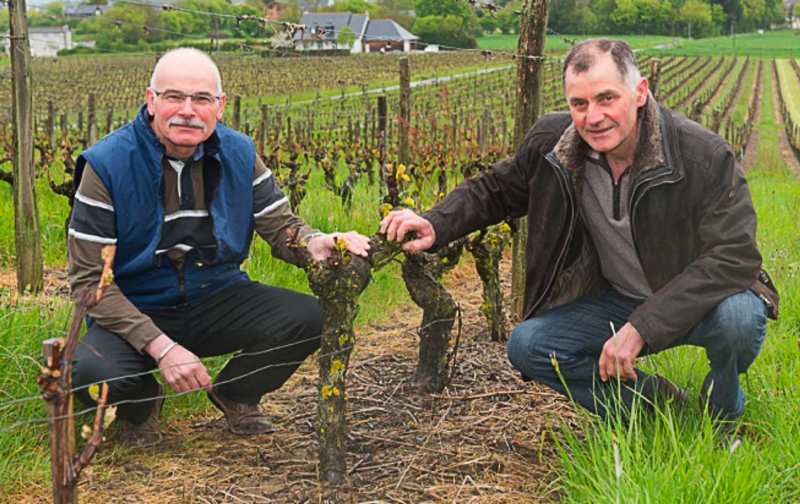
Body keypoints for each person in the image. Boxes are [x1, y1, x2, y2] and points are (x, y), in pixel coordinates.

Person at [380, 39, 778, 422]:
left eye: (607, 98)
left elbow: (734, 256)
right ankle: (655, 408)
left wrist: (644, 326)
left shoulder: (702, 155)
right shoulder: (554, 145)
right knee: (529, 346)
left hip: (696, 300)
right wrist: (436, 221)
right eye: (579, 103)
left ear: (639, 92)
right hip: (618, 298)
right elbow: (497, 189)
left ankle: (722, 407)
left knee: (739, 320)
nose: (593, 117)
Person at [69, 48, 371, 446]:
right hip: (136, 302)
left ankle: (236, 392)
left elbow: (281, 226)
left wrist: (317, 243)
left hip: (217, 293)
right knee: (90, 372)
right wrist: (163, 348)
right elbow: (91, 283)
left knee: (310, 316)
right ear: (151, 100)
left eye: (201, 99)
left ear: (220, 105)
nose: (187, 111)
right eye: (174, 96)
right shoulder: (107, 164)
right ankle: (141, 406)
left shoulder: (239, 153)